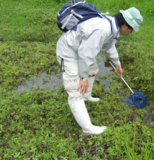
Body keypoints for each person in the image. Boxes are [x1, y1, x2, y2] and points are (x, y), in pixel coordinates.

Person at [56, 7, 143, 135]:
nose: (130, 33)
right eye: (131, 30)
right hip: (69, 53)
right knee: (75, 91)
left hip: (80, 50)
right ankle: (87, 128)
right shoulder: (103, 29)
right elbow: (86, 53)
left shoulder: (111, 26)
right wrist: (83, 78)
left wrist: (117, 64)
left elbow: (109, 45)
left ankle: (86, 96)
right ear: (125, 25)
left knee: (92, 68)